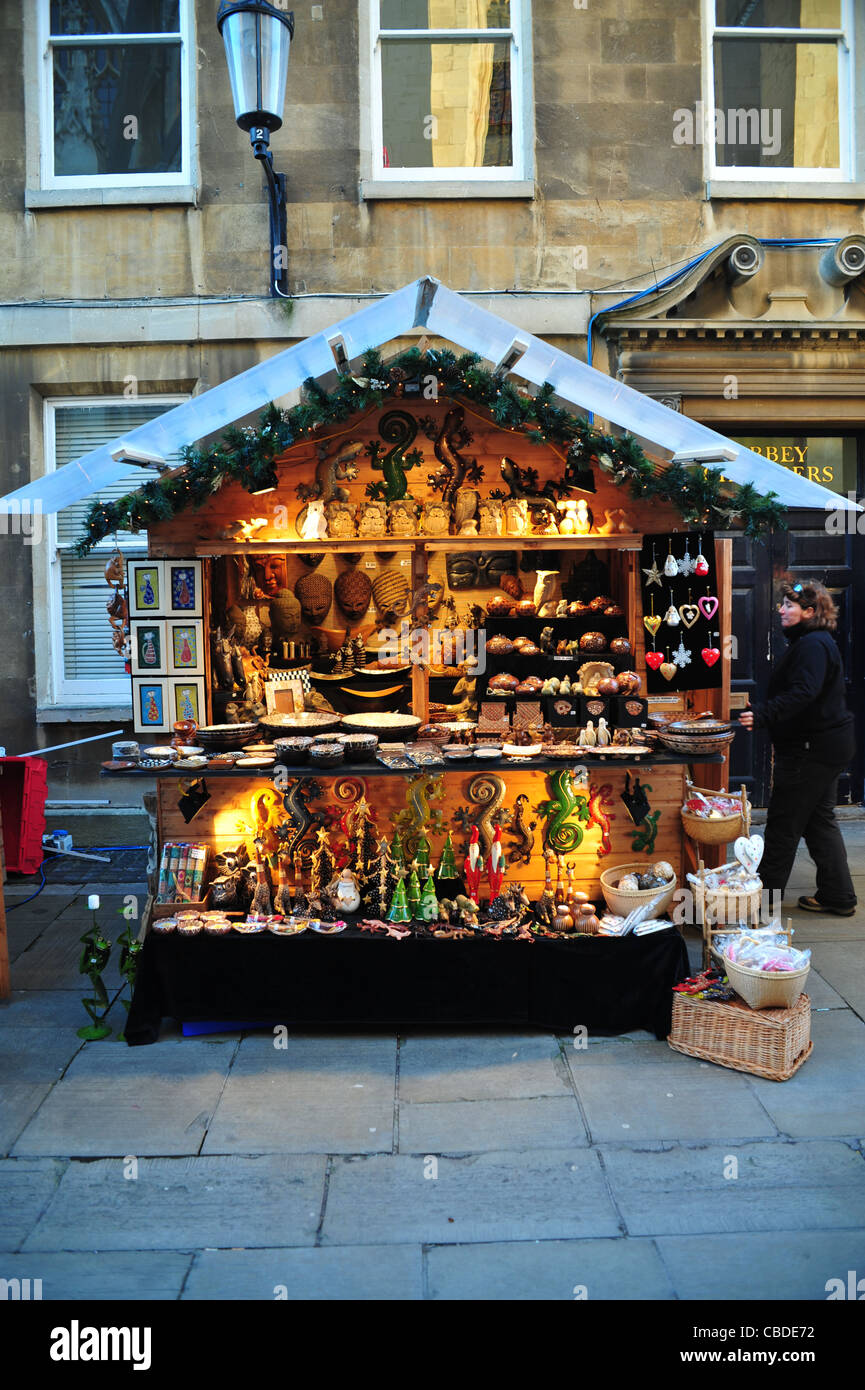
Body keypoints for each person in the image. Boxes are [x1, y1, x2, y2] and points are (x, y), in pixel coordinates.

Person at [739, 580, 857, 917]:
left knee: (783, 824)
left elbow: (804, 692)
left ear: (810, 611)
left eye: (789, 605)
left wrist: (762, 714)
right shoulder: (812, 642)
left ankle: (761, 906)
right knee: (819, 821)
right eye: (783, 604)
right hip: (827, 746)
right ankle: (838, 896)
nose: (780, 610)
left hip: (811, 750)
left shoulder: (812, 645)